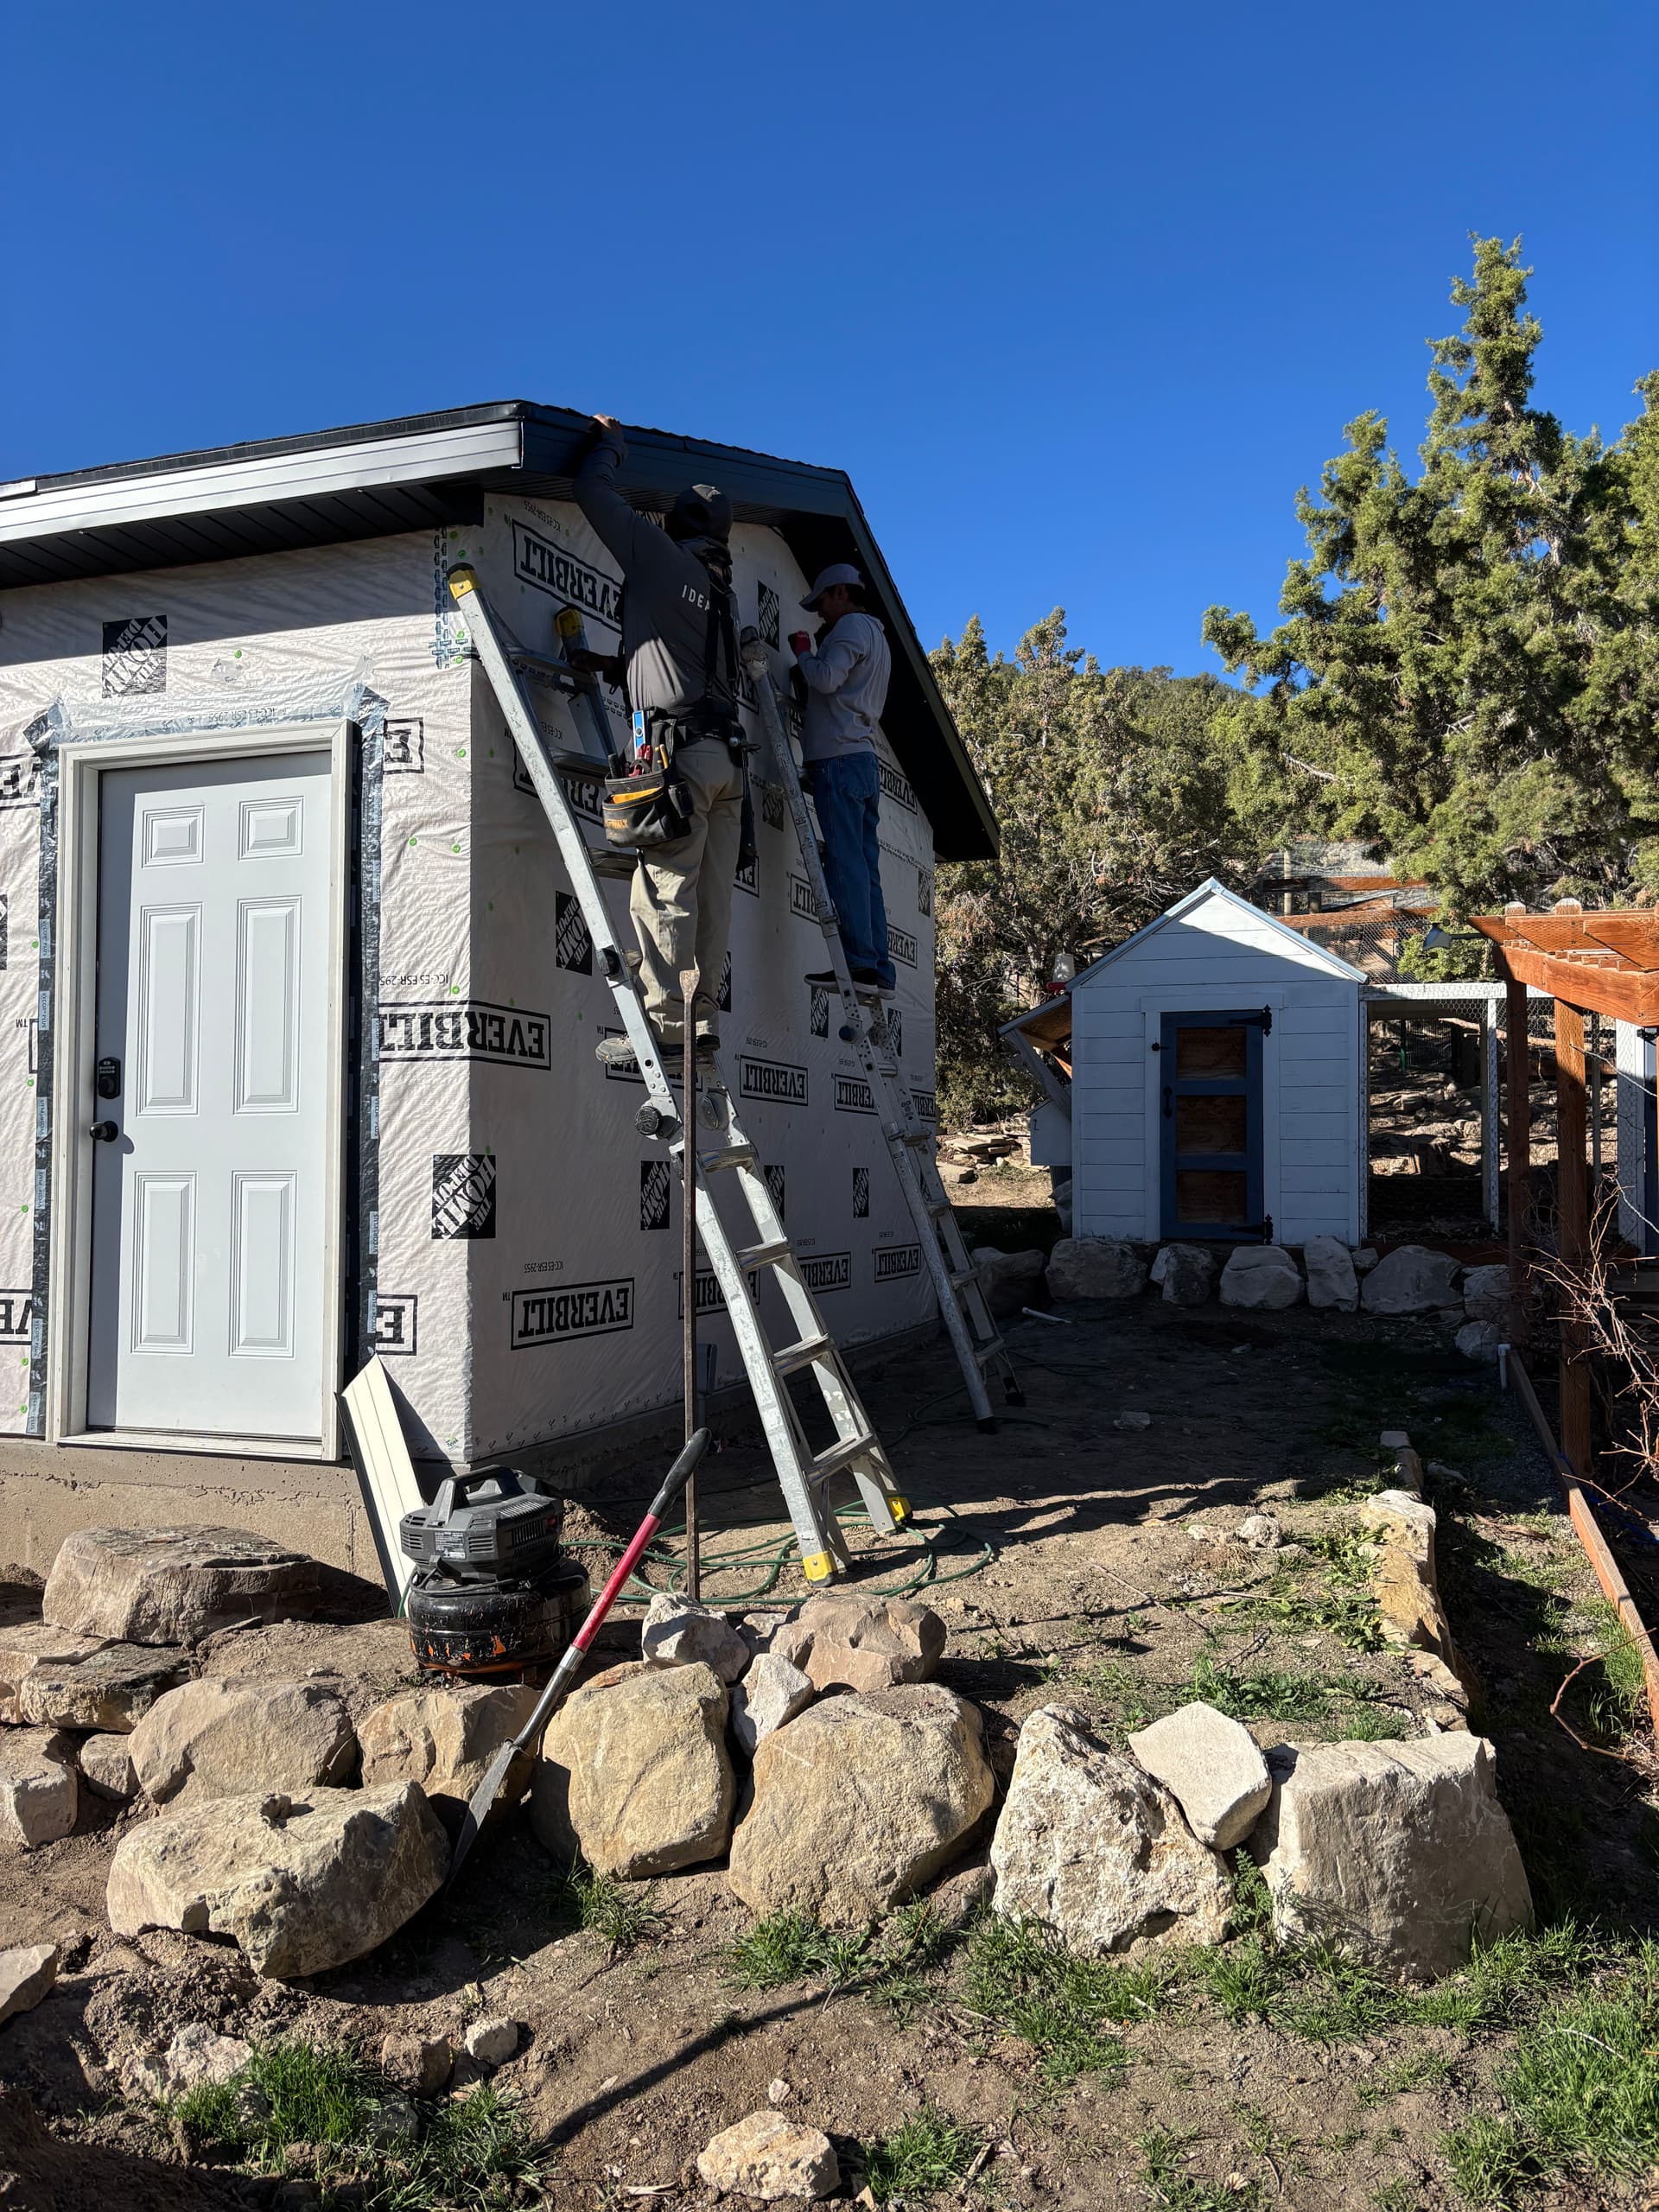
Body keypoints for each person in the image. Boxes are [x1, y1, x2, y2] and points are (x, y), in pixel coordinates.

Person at [575, 416, 744, 1067]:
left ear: (674, 524)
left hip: (682, 763)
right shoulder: (722, 593)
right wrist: (619, 666)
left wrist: (610, 445)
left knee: (665, 893)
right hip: (727, 762)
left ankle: (668, 1028)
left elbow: (592, 493)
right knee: (710, 902)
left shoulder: (660, 557)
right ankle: (700, 1021)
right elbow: (686, 669)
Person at [789, 563, 895, 995]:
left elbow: (826, 679)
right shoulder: (877, 635)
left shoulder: (850, 625)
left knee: (845, 863)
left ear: (840, 592)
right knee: (865, 869)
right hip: (861, 760)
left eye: (822, 603)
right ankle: (878, 968)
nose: (820, 614)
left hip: (838, 759)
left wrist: (803, 652)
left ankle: (860, 965)